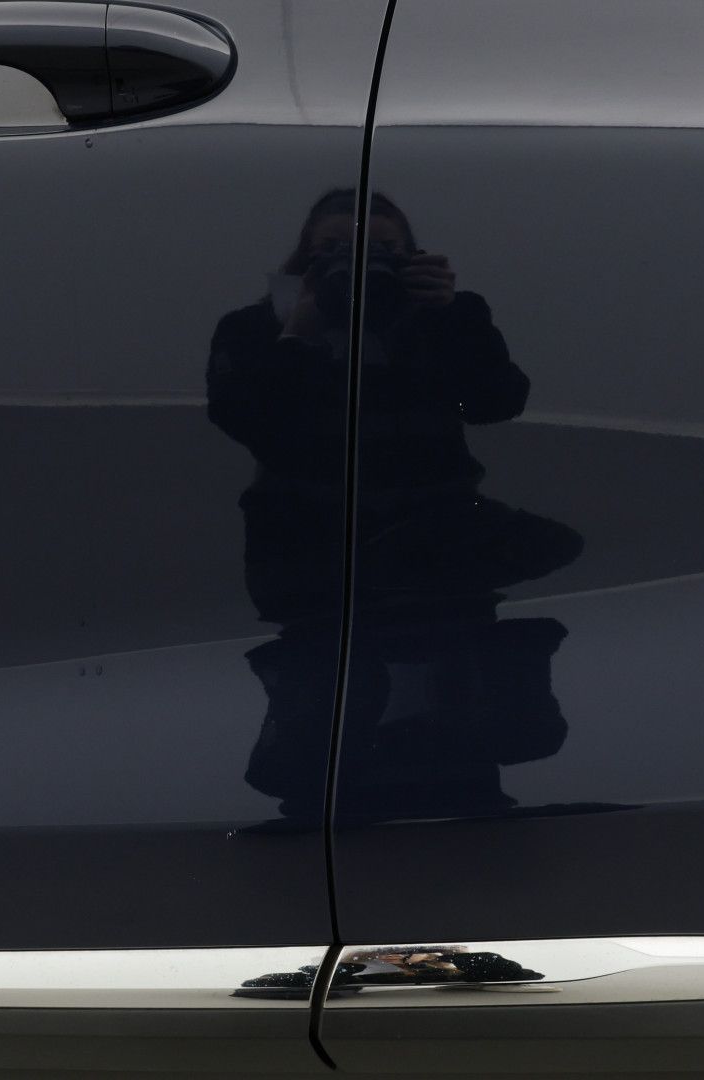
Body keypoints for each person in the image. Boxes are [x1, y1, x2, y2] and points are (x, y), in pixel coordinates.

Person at [208, 189, 581, 822]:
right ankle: (320, 826)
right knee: (322, 716)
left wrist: (448, 316)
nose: (357, 264)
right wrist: (298, 336)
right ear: (303, 259)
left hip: (438, 542)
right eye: (334, 249)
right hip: (307, 550)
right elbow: (254, 426)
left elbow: (494, 403)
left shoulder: (444, 317)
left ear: (415, 259)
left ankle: (466, 822)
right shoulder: (254, 328)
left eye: (382, 250)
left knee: (460, 706)